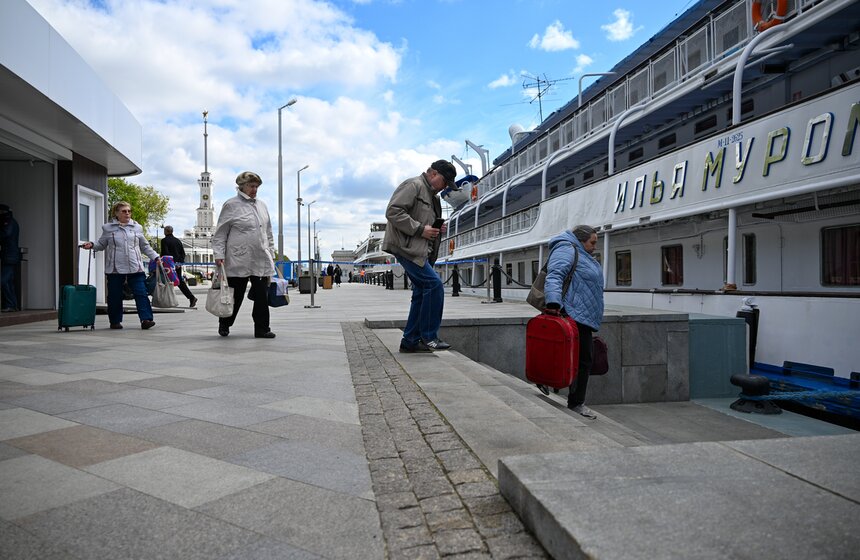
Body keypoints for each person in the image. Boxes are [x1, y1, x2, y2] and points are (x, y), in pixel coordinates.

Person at [382, 160, 457, 353]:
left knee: (421, 292)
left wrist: (435, 227)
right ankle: (428, 337)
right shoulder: (413, 185)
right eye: (445, 181)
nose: (444, 187)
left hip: (419, 249)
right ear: (433, 173)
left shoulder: (433, 197)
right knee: (433, 285)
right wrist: (420, 230)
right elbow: (393, 211)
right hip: (406, 248)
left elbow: (422, 219)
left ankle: (410, 341)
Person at [542, 225, 605, 419]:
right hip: (573, 312)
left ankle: (547, 381)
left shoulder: (579, 252)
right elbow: (555, 275)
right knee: (584, 359)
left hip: (581, 313)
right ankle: (577, 402)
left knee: (577, 357)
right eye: (592, 242)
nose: (595, 246)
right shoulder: (567, 248)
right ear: (581, 239)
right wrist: (553, 302)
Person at [212, 171, 276, 339]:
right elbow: (220, 233)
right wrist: (219, 254)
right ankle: (225, 323)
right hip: (238, 258)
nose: (254, 190)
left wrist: (271, 251)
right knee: (235, 295)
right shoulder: (231, 205)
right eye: (251, 186)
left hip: (260, 257)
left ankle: (262, 328)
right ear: (242, 186)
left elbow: (268, 232)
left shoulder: (262, 205)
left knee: (262, 295)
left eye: (256, 186)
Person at [82, 201, 159, 330]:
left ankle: (146, 319)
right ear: (116, 213)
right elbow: (101, 244)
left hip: (135, 266)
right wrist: (92, 245)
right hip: (115, 268)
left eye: (129, 211)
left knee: (141, 293)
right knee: (114, 295)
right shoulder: (108, 228)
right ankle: (115, 321)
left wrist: (156, 257)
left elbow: (145, 246)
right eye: (124, 211)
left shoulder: (137, 227)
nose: (127, 213)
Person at [160, 226, 197, 307]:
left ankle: (163, 300)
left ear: (166, 231)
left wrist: (168, 263)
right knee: (179, 281)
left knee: (163, 281)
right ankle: (191, 297)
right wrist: (178, 263)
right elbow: (182, 254)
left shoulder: (164, 241)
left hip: (168, 265)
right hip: (177, 265)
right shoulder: (178, 241)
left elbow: (165, 253)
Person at [0, 204, 21, 312]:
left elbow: (5, 234)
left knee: (3, 280)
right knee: (8, 282)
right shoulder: (11, 221)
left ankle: (11, 305)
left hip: (9, 255)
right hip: (10, 255)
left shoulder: (8, 222)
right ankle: (12, 305)